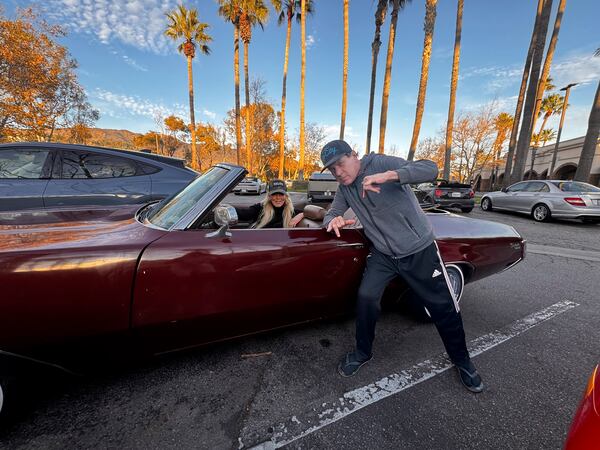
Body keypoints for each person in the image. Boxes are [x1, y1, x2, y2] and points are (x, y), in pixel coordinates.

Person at [320, 139, 484, 393]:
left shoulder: (381, 163)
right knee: (366, 297)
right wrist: (335, 219)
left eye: (340, 164)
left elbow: (430, 169)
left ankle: (462, 361)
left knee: (443, 307)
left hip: (419, 251)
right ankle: (363, 352)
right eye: (332, 170)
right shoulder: (346, 187)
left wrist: (390, 176)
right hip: (384, 255)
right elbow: (332, 211)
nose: (338, 172)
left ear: (354, 155)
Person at [236, 179, 304, 228]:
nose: (278, 198)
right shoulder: (260, 208)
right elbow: (244, 214)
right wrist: (226, 209)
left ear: (286, 196)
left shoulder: (291, 211)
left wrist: (302, 214)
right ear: (269, 196)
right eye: (274, 194)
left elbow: (312, 212)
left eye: (281, 194)